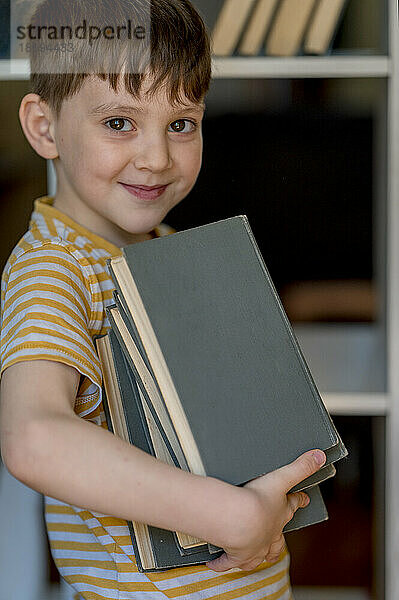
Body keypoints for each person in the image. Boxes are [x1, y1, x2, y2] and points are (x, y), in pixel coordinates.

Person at [0, 1, 326, 598]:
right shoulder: (55, 269)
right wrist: (226, 515)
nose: (157, 157)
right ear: (45, 128)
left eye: (181, 124)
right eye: (119, 122)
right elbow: (34, 437)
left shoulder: (168, 251)